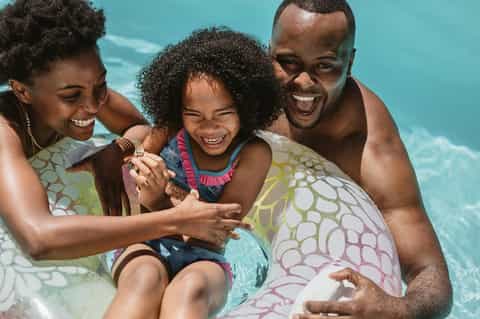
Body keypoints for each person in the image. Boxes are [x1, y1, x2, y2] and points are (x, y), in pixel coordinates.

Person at [0, 0, 248, 271]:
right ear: (22, 92)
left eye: (101, 84)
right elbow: (39, 239)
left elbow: (140, 128)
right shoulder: (5, 130)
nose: (94, 105)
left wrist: (115, 150)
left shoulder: (86, 93)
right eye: (71, 96)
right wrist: (177, 219)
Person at [268, 1, 453, 318]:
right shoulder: (250, 87)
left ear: (350, 62)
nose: (303, 82)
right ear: (269, 51)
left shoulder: (369, 149)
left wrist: (397, 309)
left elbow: (431, 275)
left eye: (325, 65)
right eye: (288, 62)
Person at [103, 27, 284, 319]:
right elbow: (132, 187)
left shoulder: (254, 153)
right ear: (179, 109)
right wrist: (145, 189)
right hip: (144, 239)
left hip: (205, 255)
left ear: (246, 107)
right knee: (144, 280)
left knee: (190, 289)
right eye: (194, 115)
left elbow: (217, 229)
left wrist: (160, 201)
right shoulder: (168, 129)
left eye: (223, 114)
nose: (209, 128)